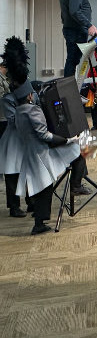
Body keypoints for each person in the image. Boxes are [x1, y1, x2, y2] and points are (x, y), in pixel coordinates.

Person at [7, 40, 86, 235]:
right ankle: (40, 223)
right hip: (40, 153)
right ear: (28, 96)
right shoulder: (33, 111)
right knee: (46, 186)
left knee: (40, 186)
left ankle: (39, 217)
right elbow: (44, 134)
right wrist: (66, 140)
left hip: (28, 152)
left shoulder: (18, 112)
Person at [0, 38, 27, 217]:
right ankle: (14, 205)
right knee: (11, 168)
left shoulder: (13, 78)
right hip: (4, 124)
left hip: (15, 125)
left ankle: (28, 202)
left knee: (20, 165)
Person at [60, 0, 97, 77]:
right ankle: (69, 90)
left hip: (71, 29)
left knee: (73, 60)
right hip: (76, 31)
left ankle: (70, 89)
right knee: (73, 60)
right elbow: (75, 11)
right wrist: (89, 25)